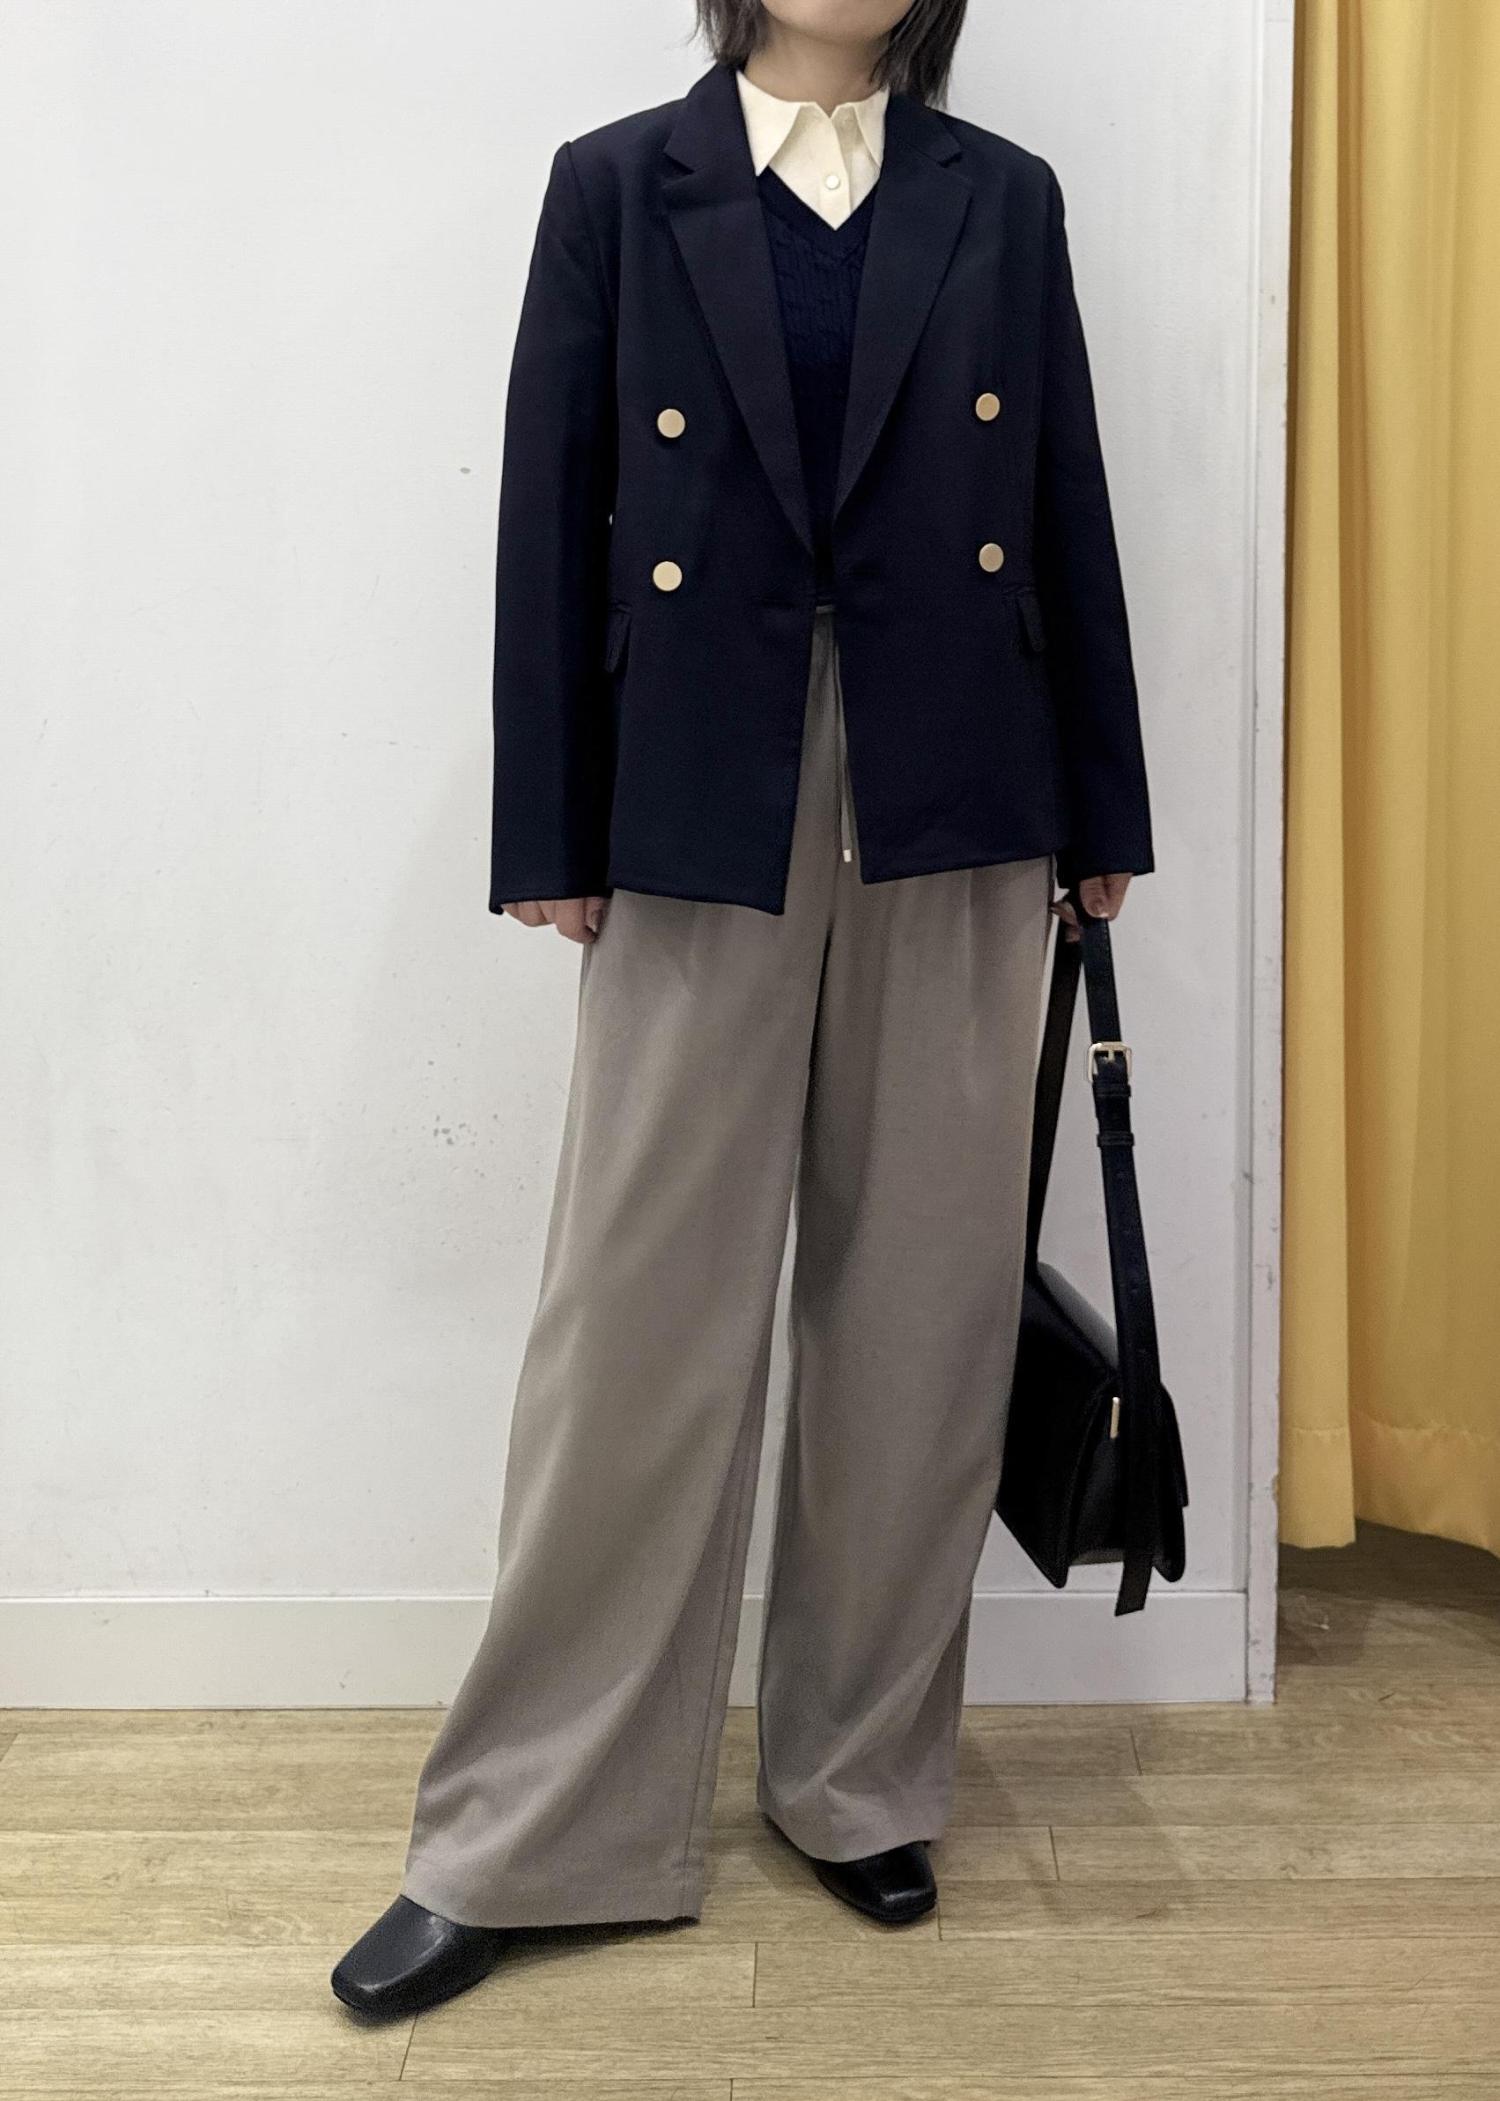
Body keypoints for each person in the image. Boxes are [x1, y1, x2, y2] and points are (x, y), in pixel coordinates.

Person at [332, 0, 1153, 2019]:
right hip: (700, 790)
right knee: (638, 1318)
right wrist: (549, 825)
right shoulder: (620, 186)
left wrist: (1102, 809)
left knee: (922, 1306)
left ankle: (855, 1778)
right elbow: (553, 512)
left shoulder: (1004, 200)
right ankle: (536, 1826)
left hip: (962, 791)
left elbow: (1064, 501)